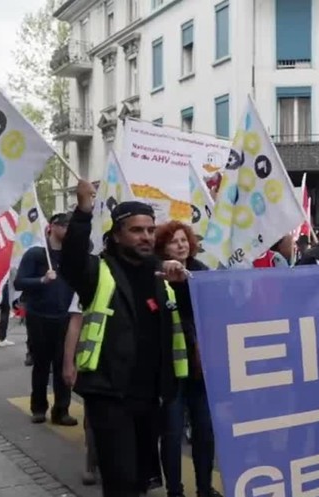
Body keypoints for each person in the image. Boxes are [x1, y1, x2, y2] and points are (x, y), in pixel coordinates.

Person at [60, 179, 191, 497]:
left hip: (152, 396)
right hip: (110, 394)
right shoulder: (98, 271)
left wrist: (184, 285)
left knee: (142, 479)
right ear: (117, 235)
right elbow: (72, 260)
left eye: (149, 229)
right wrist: (83, 210)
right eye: (136, 230)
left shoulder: (162, 273)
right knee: (120, 479)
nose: (146, 236)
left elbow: (185, 319)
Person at [154, 222, 221, 497]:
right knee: (171, 432)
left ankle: (205, 488)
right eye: (173, 241)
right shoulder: (156, 274)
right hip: (169, 368)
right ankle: (175, 491)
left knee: (204, 431)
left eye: (184, 240)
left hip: (200, 367)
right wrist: (174, 283)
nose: (180, 245)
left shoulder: (201, 271)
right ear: (163, 247)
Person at [13, 213, 77, 426]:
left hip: (65, 316)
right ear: (52, 227)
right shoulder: (36, 255)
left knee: (64, 364)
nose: (68, 230)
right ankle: (39, 407)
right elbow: (19, 282)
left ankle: (62, 410)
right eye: (65, 225)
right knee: (41, 364)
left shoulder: (71, 256)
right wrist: (42, 280)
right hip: (39, 316)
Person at [63, 293, 100, 486]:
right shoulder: (92, 277)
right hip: (97, 362)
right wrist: (69, 363)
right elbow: (76, 323)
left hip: (132, 362)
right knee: (94, 416)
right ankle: (91, 464)